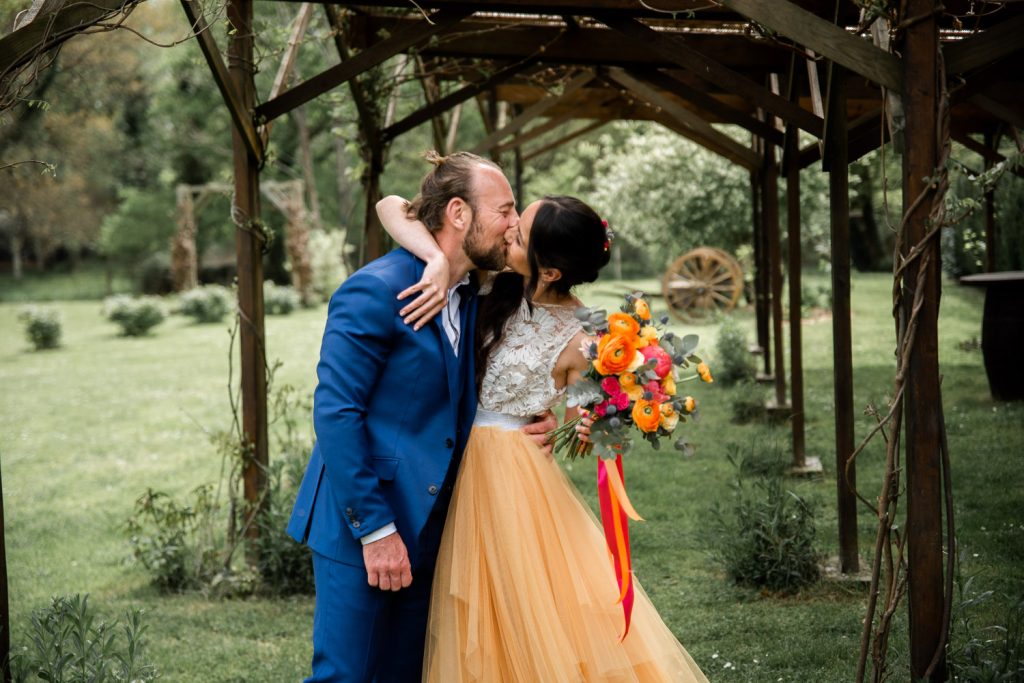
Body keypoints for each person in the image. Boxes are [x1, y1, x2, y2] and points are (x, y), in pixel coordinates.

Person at [378, 193, 710, 682]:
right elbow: (392, 205)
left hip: (510, 479)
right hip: (450, 457)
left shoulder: (583, 339)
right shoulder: (495, 279)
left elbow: (587, 420)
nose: (508, 229)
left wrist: (567, 423)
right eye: (516, 218)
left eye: (520, 232)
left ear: (551, 270)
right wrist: (431, 257)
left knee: (517, 602)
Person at [287, 151, 556, 683]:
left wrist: (540, 421)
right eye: (504, 210)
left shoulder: (474, 293)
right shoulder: (377, 288)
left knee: (407, 672)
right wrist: (377, 531)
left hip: (434, 523)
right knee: (347, 675)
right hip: (364, 521)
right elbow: (338, 413)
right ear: (458, 214)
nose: (512, 224)